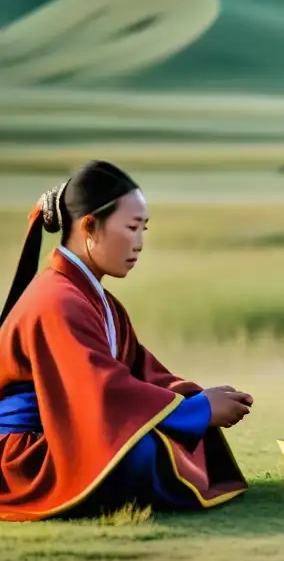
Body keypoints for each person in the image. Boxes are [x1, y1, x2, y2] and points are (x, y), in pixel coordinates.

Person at [0, 161, 252, 521]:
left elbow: (141, 373)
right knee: (143, 452)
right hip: (30, 455)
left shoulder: (95, 299)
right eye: (132, 228)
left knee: (171, 437)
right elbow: (104, 390)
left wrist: (197, 398)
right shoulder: (57, 301)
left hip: (66, 433)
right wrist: (197, 412)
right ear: (90, 226)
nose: (140, 243)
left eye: (144, 229)